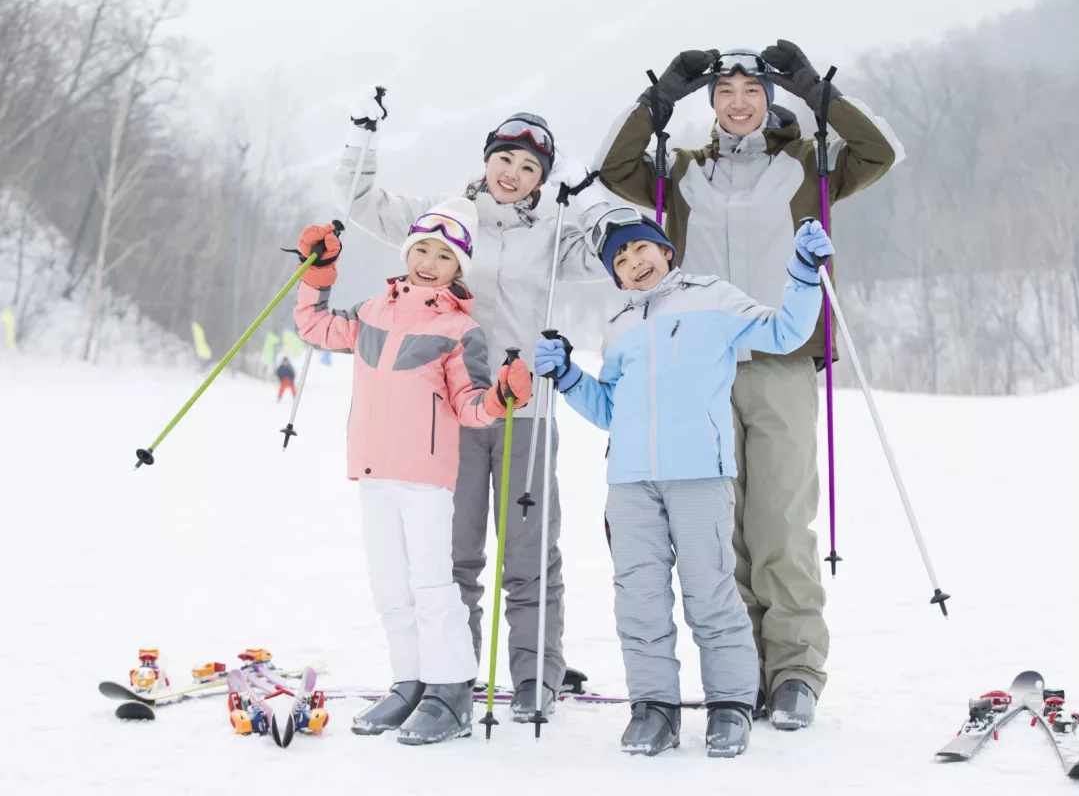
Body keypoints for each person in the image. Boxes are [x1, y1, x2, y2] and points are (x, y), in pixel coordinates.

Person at [596, 41, 905, 729]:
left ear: (770, 101)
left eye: (753, 91)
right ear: (710, 105)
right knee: (719, 527)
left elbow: (880, 153)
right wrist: (658, 102)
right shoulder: (678, 174)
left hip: (781, 359)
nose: (738, 102)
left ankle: (795, 670)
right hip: (696, 369)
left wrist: (818, 94)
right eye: (725, 92)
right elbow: (612, 165)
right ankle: (744, 673)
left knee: (778, 522)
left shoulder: (806, 164)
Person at [335, 93, 613, 721]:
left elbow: (619, 256)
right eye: (503, 158)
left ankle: (536, 676)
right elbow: (359, 202)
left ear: (544, 180)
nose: (511, 173)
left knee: (529, 554)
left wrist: (589, 192)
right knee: (451, 556)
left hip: (526, 410)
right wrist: (363, 136)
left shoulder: (554, 229)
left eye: (529, 167)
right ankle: (446, 680)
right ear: (486, 160)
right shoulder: (441, 218)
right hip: (446, 414)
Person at [534, 210, 831, 755]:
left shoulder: (712, 297)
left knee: (710, 591)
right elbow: (610, 410)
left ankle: (731, 704)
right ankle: (654, 707)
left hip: (698, 475)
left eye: (640, 250)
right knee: (638, 599)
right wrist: (569, 376)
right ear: (615, 278)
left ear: (666, 251)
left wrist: (804, 274)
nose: (633, 264)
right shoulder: (619, 326)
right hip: (629, 484)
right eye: (619, 262)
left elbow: (785, 331)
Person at [292, 197, 533, 745]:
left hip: (424, 476)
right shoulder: (372, 312)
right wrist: (318, 274)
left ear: (458, 268)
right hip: (373, 471)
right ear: (406, 253)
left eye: (444, 255)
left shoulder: (459, 329)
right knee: (389, 587)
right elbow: (314, 327)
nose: (428, 261)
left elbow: (470, 405)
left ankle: (450, 692)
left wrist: (500, 398)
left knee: (431, 585)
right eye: (421, 248)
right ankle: (410, 681)